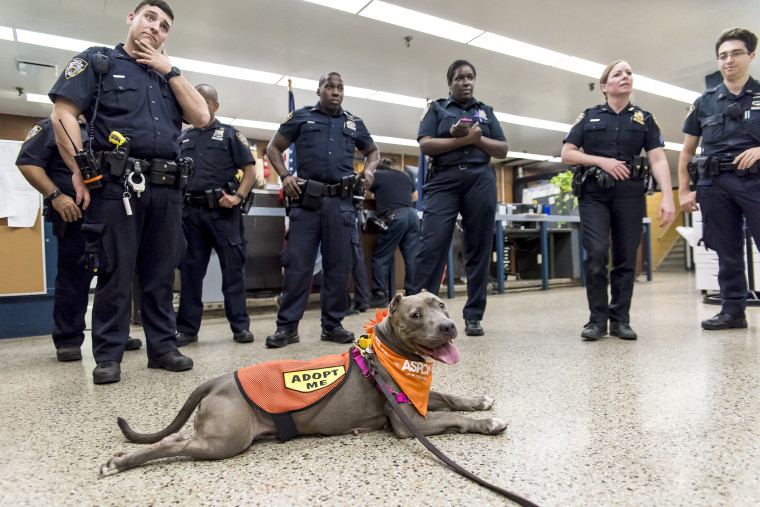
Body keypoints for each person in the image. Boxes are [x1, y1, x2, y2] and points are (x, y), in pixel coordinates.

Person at [49, 0, 210, 383]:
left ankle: (163, 348)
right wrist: (78, 169)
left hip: (167, 189)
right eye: (150, 18)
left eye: (165, 25)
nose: (156, 28)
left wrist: (171, 70)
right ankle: (108, 355)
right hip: (117, 186)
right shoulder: (99, 61)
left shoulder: (169, 76)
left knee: (159, 273)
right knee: (115, 271)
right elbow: (63, 113)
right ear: (131, 18)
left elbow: (202, 117)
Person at [561, 59, 676, 341]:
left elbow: (658, 157)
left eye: (629, 73)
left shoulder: (644, 119)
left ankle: (620, 319)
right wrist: (604, 161)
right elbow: (568, 153)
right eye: (617, 73)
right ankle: (597, 320)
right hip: (594, 194)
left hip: (629, 193)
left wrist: (668, 197)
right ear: (605, 86)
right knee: (597, 254)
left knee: (626, 257)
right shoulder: (588, 116)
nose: (625, 76)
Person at [265, 72, 379, 348]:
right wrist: (284, 176)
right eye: (330, 86)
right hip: (307, 202)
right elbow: (273, 148)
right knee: (297, 266)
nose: (335, 91)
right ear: (319, 91)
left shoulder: (354, 123)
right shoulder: (301, 117)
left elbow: (373, 152)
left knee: (338, 267)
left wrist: (369, 170)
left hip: (340, 204)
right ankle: (287, 328)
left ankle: (332, 325)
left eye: (340, 87)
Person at [15, 118, 142, 362]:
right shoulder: (54, 125)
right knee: (73, 279)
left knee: (116, 278)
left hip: (114, 215)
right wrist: (55, 195)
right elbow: (27, 162)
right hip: (74, 213)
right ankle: (68, 340)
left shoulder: (111, 124)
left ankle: (115, 335)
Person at [413, 59, 508, 337]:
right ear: (450, 82)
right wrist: (463, 140)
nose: (465, 82)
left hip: (480, 179)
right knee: (432, 244)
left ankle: (474, 315)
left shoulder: (486, 112)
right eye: (459, 78)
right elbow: (425, 143)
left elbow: (502, 148)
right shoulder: (437, 108)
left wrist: (476, 139)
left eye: (469, 77)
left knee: (478, 247)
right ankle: (419, 312)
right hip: (444, 179)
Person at [678, 28, 760, 331]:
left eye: (736, 53)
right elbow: (686, 152)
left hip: (755, 181)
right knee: (726, 249)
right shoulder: (704, 102)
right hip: (715, 184)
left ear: (751, 55)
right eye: (723, 55)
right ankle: (733, 311)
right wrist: (685, 190)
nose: (728, 60)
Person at [175, 84, 255, 346]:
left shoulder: (230, 134)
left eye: (203, 99)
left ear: (215, 106)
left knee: (232, 272)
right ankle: (187, 330)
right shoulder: (182, 137)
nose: (196, 103)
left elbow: (250, 171)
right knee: (190, 274)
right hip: (191, 215)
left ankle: (240, 327)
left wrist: (238, 196)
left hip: (223, 213)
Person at [368, 158, 419, 306]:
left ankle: (379, 295)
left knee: (381, 257)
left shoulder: (377, 175)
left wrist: (376, 195)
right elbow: (415, 197)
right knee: (412, 258)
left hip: (394, 217)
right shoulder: (405, 175)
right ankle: (413, 294)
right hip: (412, 216)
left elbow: (363, 193)